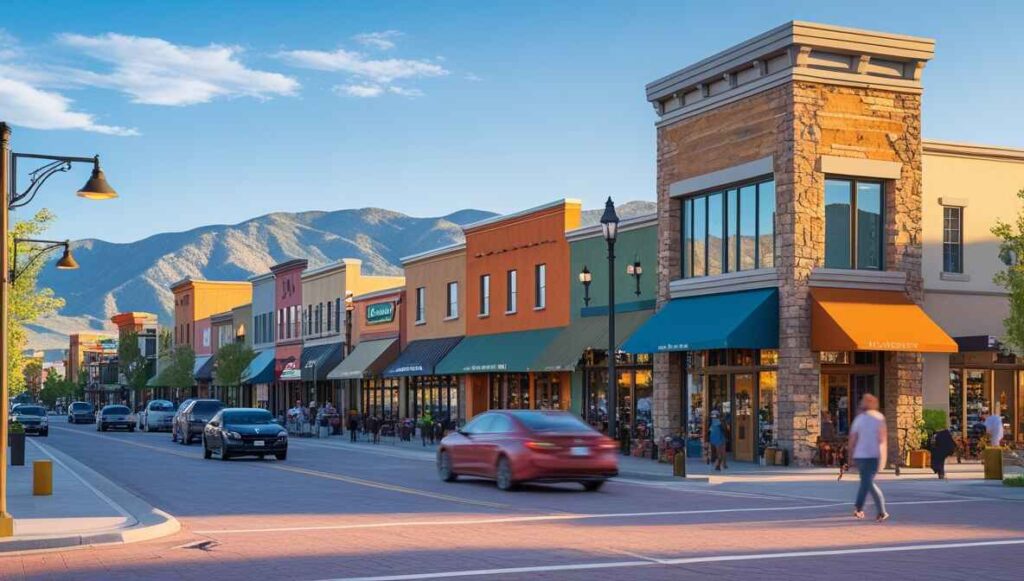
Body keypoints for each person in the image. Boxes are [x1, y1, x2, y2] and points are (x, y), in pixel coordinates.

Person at [848, 394, 888, 522]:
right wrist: (883, 456)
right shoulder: (878, 418)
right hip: (870, 455)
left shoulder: (859, 419)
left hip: (864, 455)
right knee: (867, 483)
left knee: (866, 483)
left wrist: (850, 455)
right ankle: (878, 511)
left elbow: (852, 439)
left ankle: (861, 508)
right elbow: (882, 439)